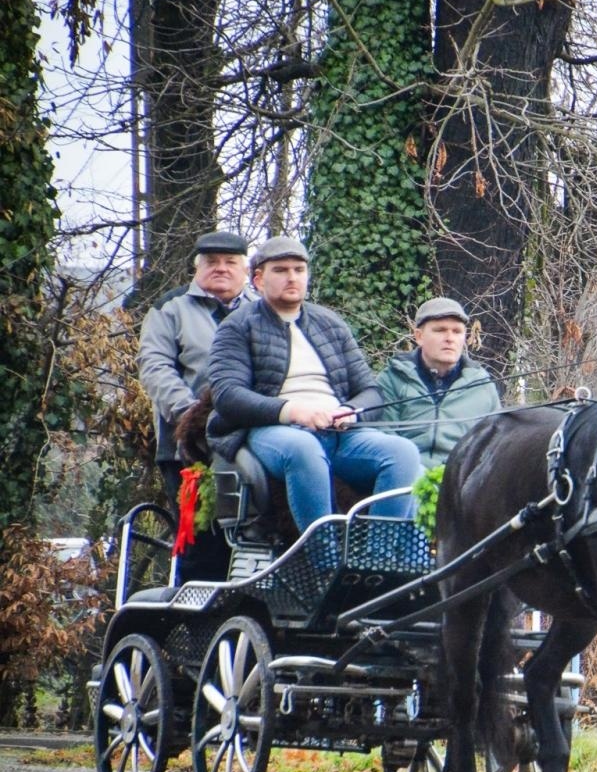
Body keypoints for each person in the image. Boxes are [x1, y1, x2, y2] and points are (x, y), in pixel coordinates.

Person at [206, 236, 423, 532]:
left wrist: (351, 411)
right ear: (258, 279)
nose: (292, 277)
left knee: (403, 453)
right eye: (281, 270)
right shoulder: (237, 326)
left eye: (299, 269)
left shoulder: (330, 324)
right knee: (303, 448)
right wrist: (294, 411)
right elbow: (228, 396)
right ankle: (322, 562)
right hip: (273, 432)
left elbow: (371, 392)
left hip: (341, 434)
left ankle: (379, 559)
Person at [137, 230, 253, 581]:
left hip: (248, 443)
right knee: (202, 543)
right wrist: (192, 416)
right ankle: (195, 626)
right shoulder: (170, 308)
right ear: (196, 268)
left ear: (245, 270)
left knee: (250, 538)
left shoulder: (261, 310)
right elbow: (154, 365)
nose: (221, 269)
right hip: (187, 449)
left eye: (230, 262)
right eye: (211, 262)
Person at [374, 297, 502, 469]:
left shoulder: (482, 387)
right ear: (419, 336)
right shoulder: (392, 378)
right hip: (405, 476)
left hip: (461, 482)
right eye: (440, 330)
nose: (450, 338)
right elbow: (385, 440)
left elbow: (494, 448)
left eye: (457, 332)